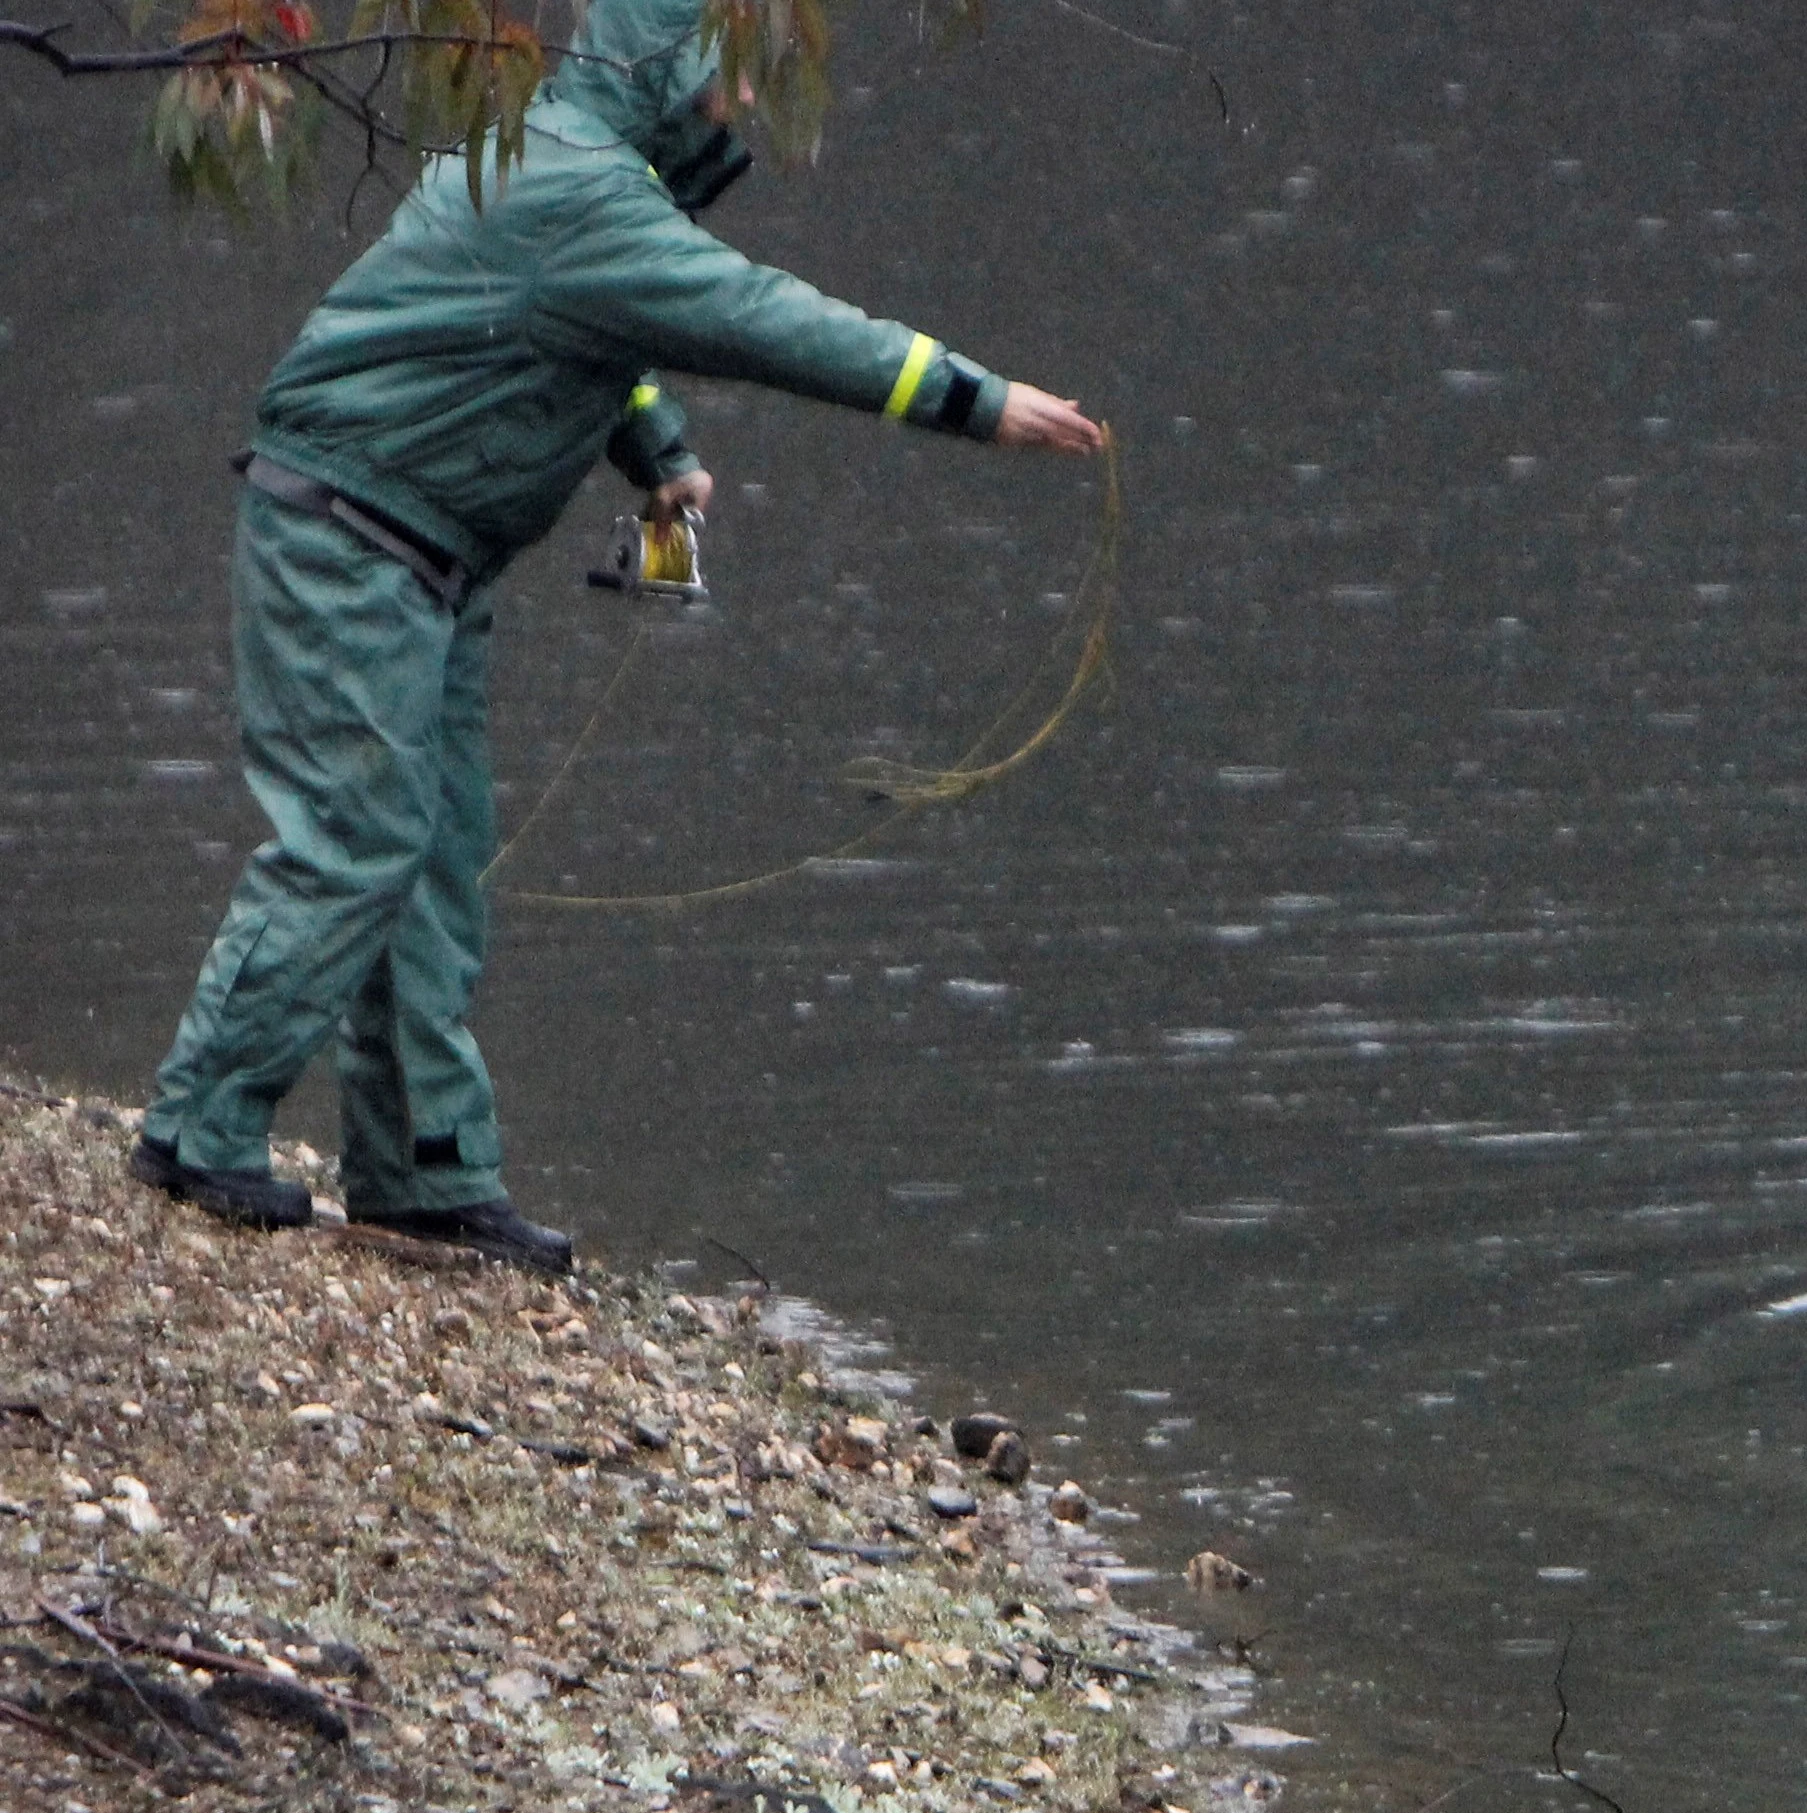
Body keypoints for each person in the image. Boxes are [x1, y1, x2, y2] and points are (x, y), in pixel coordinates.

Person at [128, 0, 1106, 1274]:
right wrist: (976, 402)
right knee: (355, 841)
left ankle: (427, 1174)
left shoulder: (547, 156)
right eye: (724, 82)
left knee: (430, 861)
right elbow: (764, 318)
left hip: (423, 551)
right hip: (348, 539)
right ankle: (197, 1126)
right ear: (660, 73)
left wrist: (653, 450)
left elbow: (568, 324)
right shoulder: (580, 193)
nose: (742, 108)